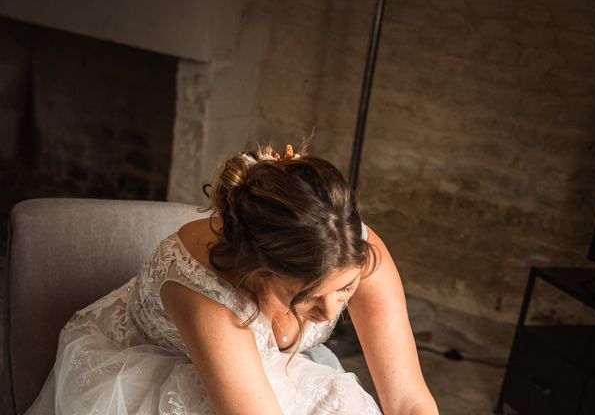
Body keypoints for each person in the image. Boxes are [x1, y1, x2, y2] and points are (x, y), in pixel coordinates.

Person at [26, 144, 439, 415]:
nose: (329, 314)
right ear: (260, 272)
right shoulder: (206, 292)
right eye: (308, 298)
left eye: (345, 291)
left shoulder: (350, 249)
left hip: (256, 373)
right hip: (156, 373)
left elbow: (407, 399)